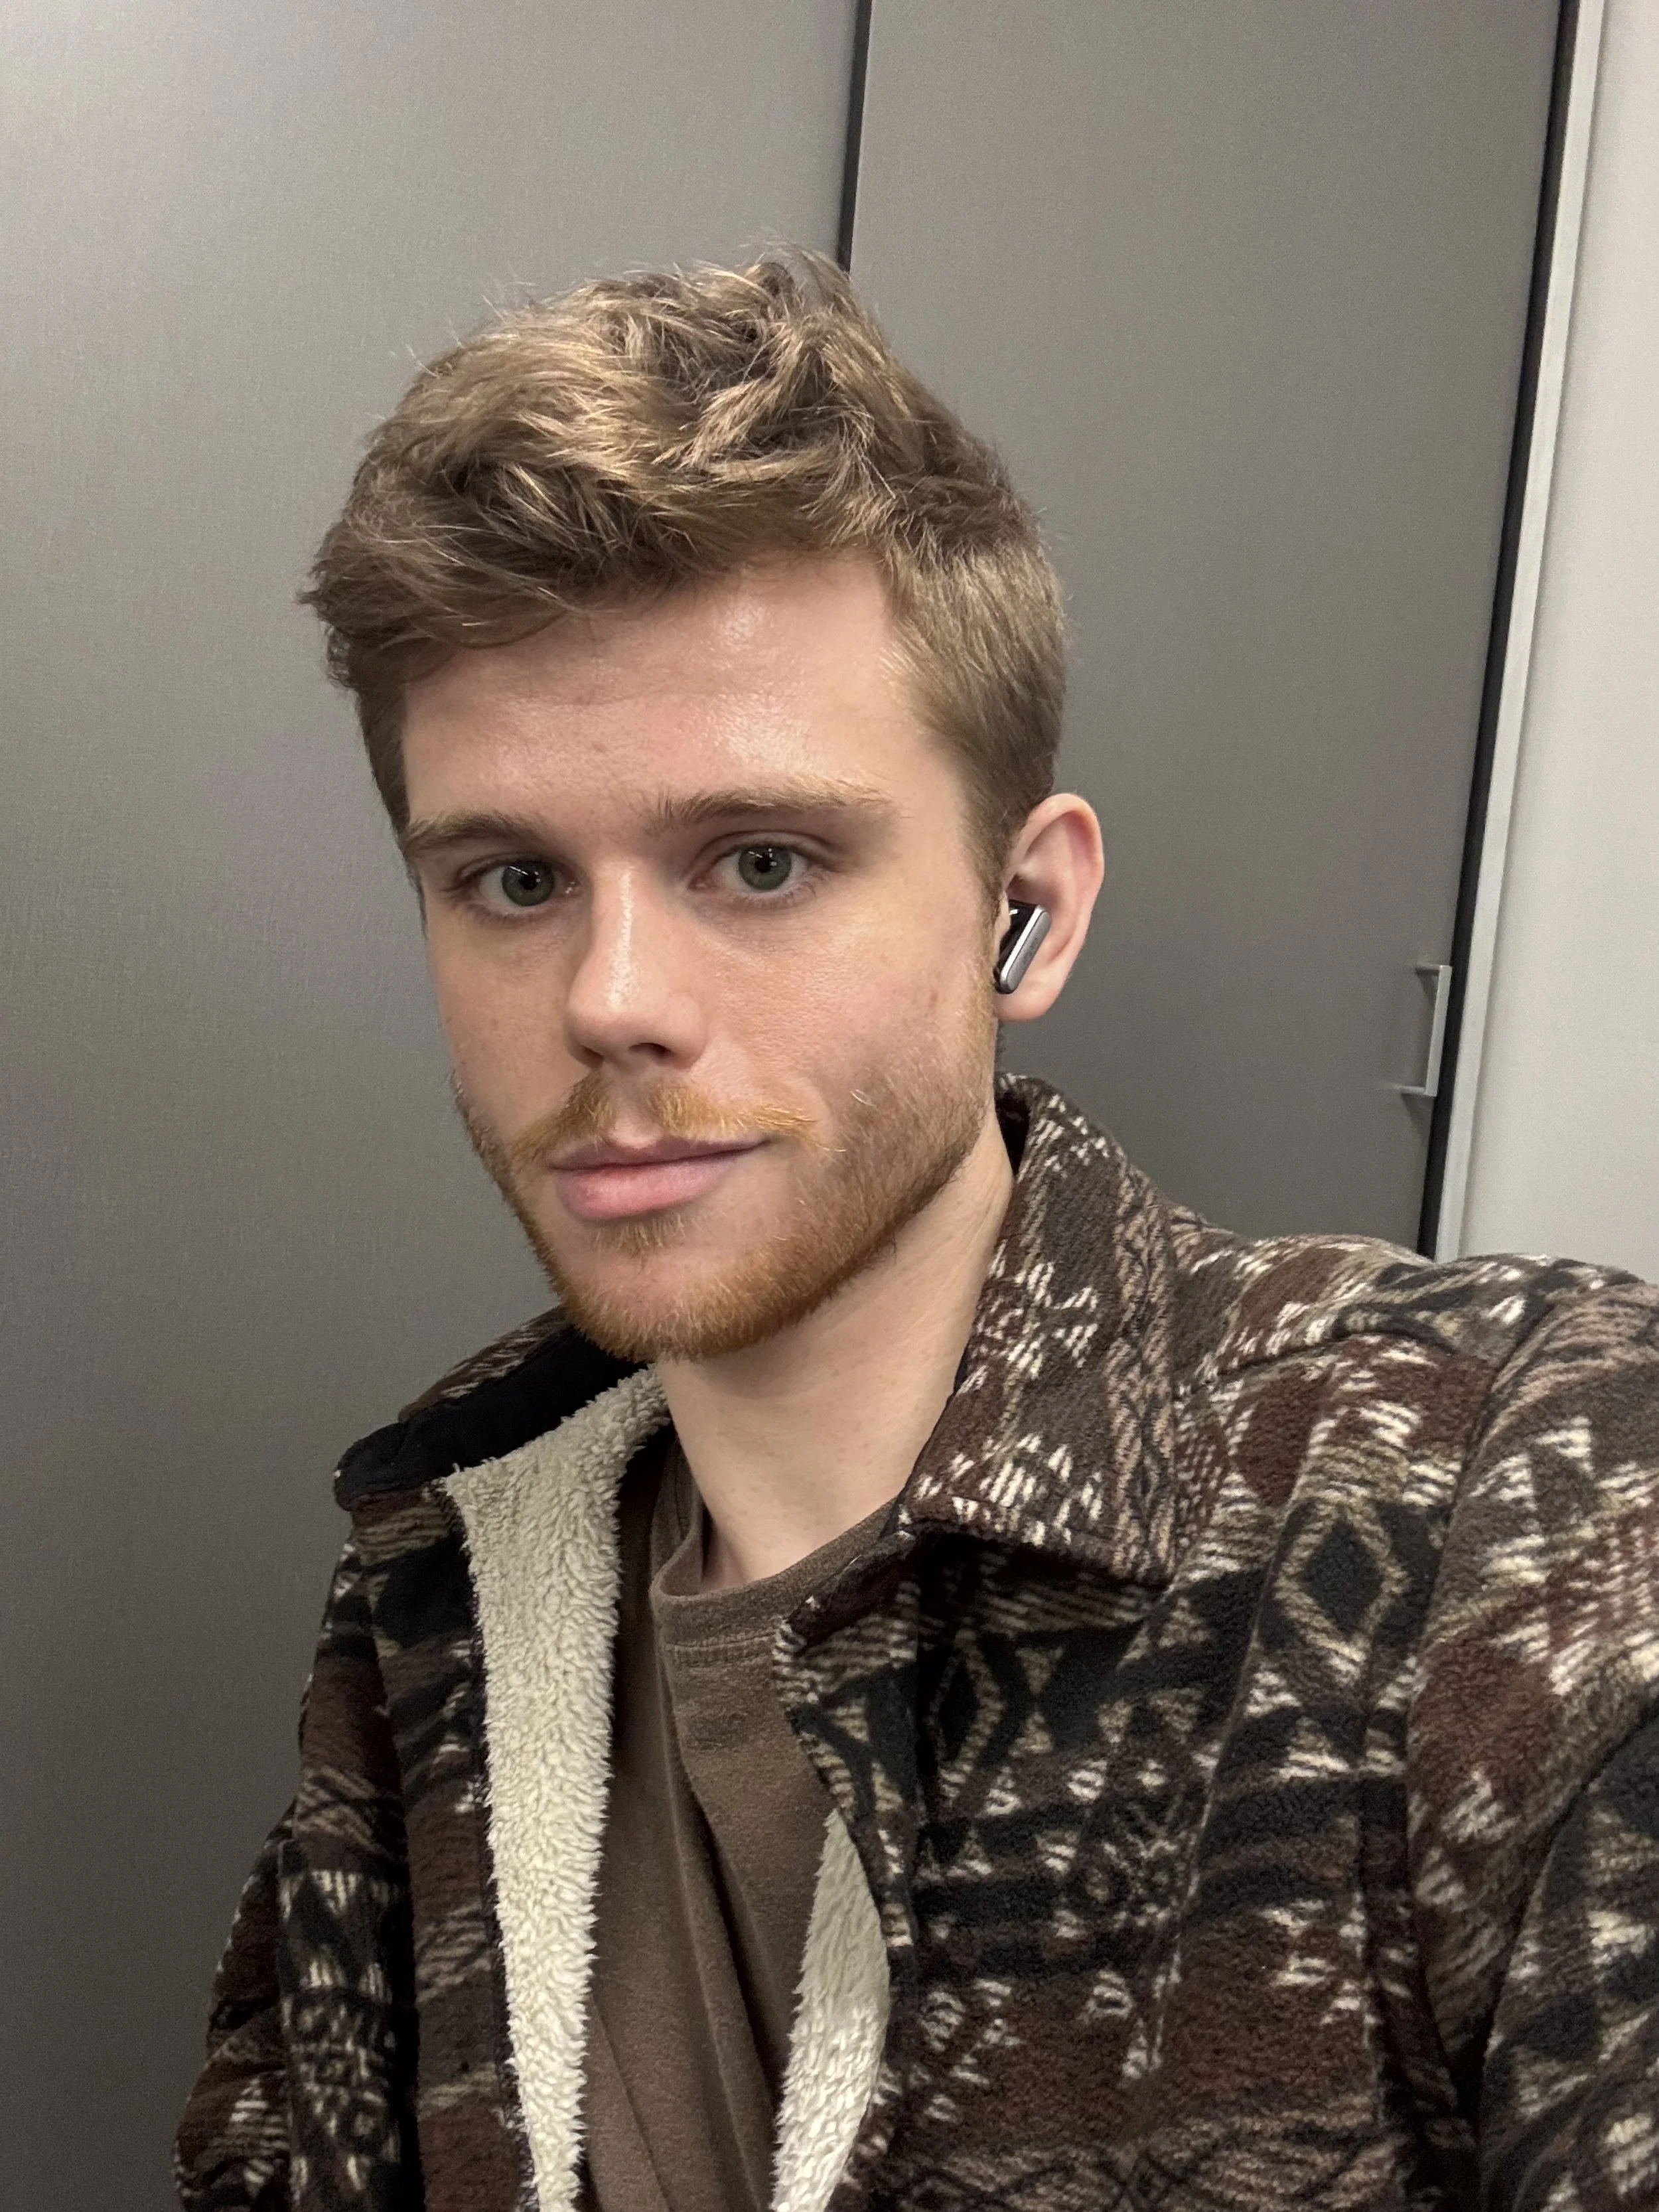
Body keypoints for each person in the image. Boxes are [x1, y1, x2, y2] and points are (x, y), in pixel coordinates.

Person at [176, 252, 1659, 2212]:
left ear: (1023, 908)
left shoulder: (1507, 1502)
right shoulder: (431, 1595)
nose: (612, 997)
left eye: (761, 859)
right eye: (514, 876)